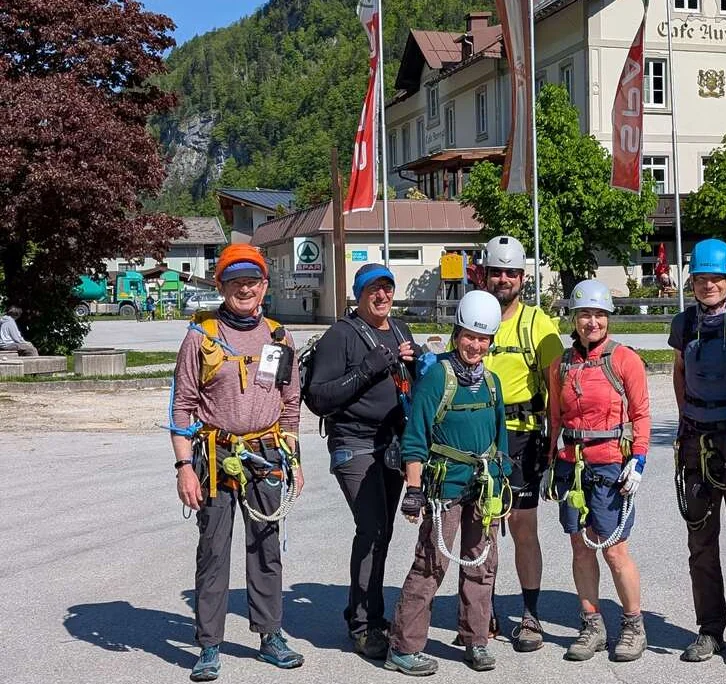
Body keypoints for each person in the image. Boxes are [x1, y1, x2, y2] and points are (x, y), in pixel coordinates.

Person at [168, 243, 305, 682]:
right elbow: (182, 407)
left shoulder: (280, 338)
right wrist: (183, 467)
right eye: (234, 281)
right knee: (213, 550)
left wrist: (294, 460)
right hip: (215, 457)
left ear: (264, 285)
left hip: (266, 456)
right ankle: (209, 645)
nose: (244, 288)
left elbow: (291, 405)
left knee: (266, 547)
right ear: (221, 286)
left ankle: (270, 635)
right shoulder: (200, 337)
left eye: (251, 280)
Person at [385, 290, 512, 676]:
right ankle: (403, 648)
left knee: (481, 564)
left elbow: (499, 436)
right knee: (431, 563)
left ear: (491, 342)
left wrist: (502, 482)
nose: (475, 345)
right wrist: (414, 489)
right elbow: (416, 437)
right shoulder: (438, 377)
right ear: (456, 334)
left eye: (483, 338)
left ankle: (475, 640)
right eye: (469, 336)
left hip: (484, 488)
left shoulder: (491, 382)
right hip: (445, 489)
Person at [303, 263, 418, 660]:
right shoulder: (341, 335)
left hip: (392, 445)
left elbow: (410, 385)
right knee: (371, 528)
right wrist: (369, 369)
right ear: (358, 295)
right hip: (354, 443)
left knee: (382, 532)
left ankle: (368, 612)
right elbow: (318, 397)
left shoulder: (401, 330)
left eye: (387, 288)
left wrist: (417, 364)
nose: (382, 295)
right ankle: (362, 626)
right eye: (374, 290)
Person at [544, 279, 650, 663]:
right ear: (574, 318)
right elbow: (555, 419)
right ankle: (591, 624)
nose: (593, 322)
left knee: (614, 549)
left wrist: (638, 459)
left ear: (609, 318)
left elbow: (641, 414)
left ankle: (633, 624)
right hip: (572, 466)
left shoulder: (624, 360)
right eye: (586, 314)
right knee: (579, 544)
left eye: (600, 315)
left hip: (611, 465)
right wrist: (550, 462)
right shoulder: (562, 365)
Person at [669, 239, 726, 666]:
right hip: (696, 443)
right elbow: (680, 373)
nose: (708, 285)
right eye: (701, 278)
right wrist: (687, 419)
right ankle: (709, 629)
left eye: (716, 278)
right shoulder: (684, 323)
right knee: (701, 542)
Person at [478, 235, 564, 651]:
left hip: (522, 437)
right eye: (497, 271)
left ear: (522, 277)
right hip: (478, 436)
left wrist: (554, 440)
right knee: (484, 528)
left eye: (512, 272)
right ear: (485, 274)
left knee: (523, 528)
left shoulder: (536, 322)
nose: (504, 279)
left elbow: (557, 384)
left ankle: (530, 615)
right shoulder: (474, 315)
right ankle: (483, 608)